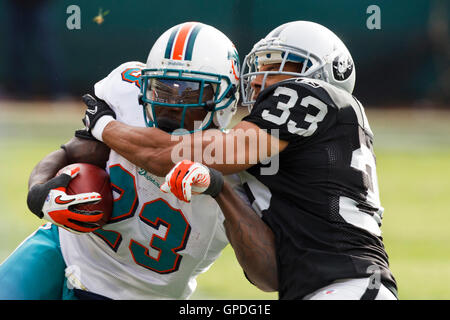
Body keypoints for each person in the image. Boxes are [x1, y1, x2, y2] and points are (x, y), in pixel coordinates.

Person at [83, 21, 398, 300]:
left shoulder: (313, 94)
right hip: (324, 287)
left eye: (279, 65)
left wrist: (103, 125)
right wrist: (220, 189)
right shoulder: (290, 147)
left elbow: (197, 152)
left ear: (320, 73)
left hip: (348, 283)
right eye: (262, 65)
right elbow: (267, 276)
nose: (260, 78)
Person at [0, 22, 277, 300]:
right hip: (63, 247)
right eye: (162, 88)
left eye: (189, 92)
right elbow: (74, 150)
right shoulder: (127, 98)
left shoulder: (240, 168)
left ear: (225, 99)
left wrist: (222, 191)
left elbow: (268, 276)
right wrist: (40, 190)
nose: (172, 104)